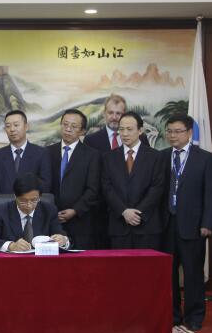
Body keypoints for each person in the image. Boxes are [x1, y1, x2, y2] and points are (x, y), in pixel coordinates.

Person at [161, 114, 212, 331]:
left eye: (178, 131)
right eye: (169, 131)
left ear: (190, 133)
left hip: (194, 225)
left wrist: (207, 223)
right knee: (169, 274)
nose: (172, 135)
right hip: (167, 224)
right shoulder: (161, 157)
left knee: (193, 273)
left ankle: (195, 316)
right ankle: (173, 314)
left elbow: (211, 193)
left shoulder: (205, 158)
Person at [84, 93, 148, 249]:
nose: (114, 117)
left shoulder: (141, 139)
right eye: (110, 112)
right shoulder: (91, 140)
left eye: (118, 113)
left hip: (133, 212)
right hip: (102, 210)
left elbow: (144, 173)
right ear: (104, 113)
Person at [101, 112, 165, 250]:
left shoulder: (155, 157)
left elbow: (157, 188)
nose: (124, 134)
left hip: (147, 226)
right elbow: (106, 187)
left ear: (140, 130)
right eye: (121, 129)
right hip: (119, 226)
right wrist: (124, 211)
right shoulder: (108, 157)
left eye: (129, 129)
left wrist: (138, 213)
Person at [47, 109, 100, 250]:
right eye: (65, 124)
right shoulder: (47, 152)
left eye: (74, 126)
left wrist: (75, 210)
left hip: (80, 220)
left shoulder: (92, 155)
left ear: (82, 131)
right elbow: (44, 184)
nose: (68, 129)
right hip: (52, 219)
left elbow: (93, 189)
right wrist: (51, 210)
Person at [0, 173, 69, 251]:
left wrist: (63, 240)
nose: (29, 205)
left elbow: (62, 236)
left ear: (40, 197)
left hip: (42, 262)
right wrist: (11, 246)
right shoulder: (0, 211)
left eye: (34, 200)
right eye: (23, 201)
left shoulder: (49, 210)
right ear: (15, 196)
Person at [0, 110, 51, 194]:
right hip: (4, 202)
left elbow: (45, 187)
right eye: (8, 126)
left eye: (16, 125)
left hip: (31, 202)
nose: (12, 129)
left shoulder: (41, 153)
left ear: (26, 127)